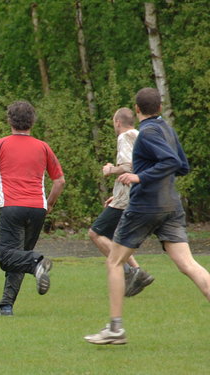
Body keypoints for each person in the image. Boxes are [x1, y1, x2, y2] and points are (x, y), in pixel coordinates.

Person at [85, 88, 210, 345]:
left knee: (115, 262)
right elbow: (182, 166)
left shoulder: (148, 133)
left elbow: (170, 161)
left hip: (145, 207)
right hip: (171, 206)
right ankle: (115, 328)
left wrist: (139, 176)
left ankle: (115, 329)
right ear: (160, 108)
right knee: (188, 265)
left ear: (137, 109)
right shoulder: (167, 130)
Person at [0, 101, 65, 316]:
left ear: (9, 120)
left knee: (8, 258)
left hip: (12, 208)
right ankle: (6, 306)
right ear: (32, 121)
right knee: (19, 257)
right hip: (37, 209)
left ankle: (38, 261)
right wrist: (50, 204)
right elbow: (60, 181)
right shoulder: (43, 147)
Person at [88, 108, 154, 297]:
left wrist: (110, 169)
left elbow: (127, 166)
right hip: (135, 194)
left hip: (127, 197)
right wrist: (116, 195)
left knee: (95, 233)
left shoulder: (124, 137)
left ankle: (131, 271)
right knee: (116, 238)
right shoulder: (140, 135)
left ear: (118, 122)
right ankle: (137, 272)